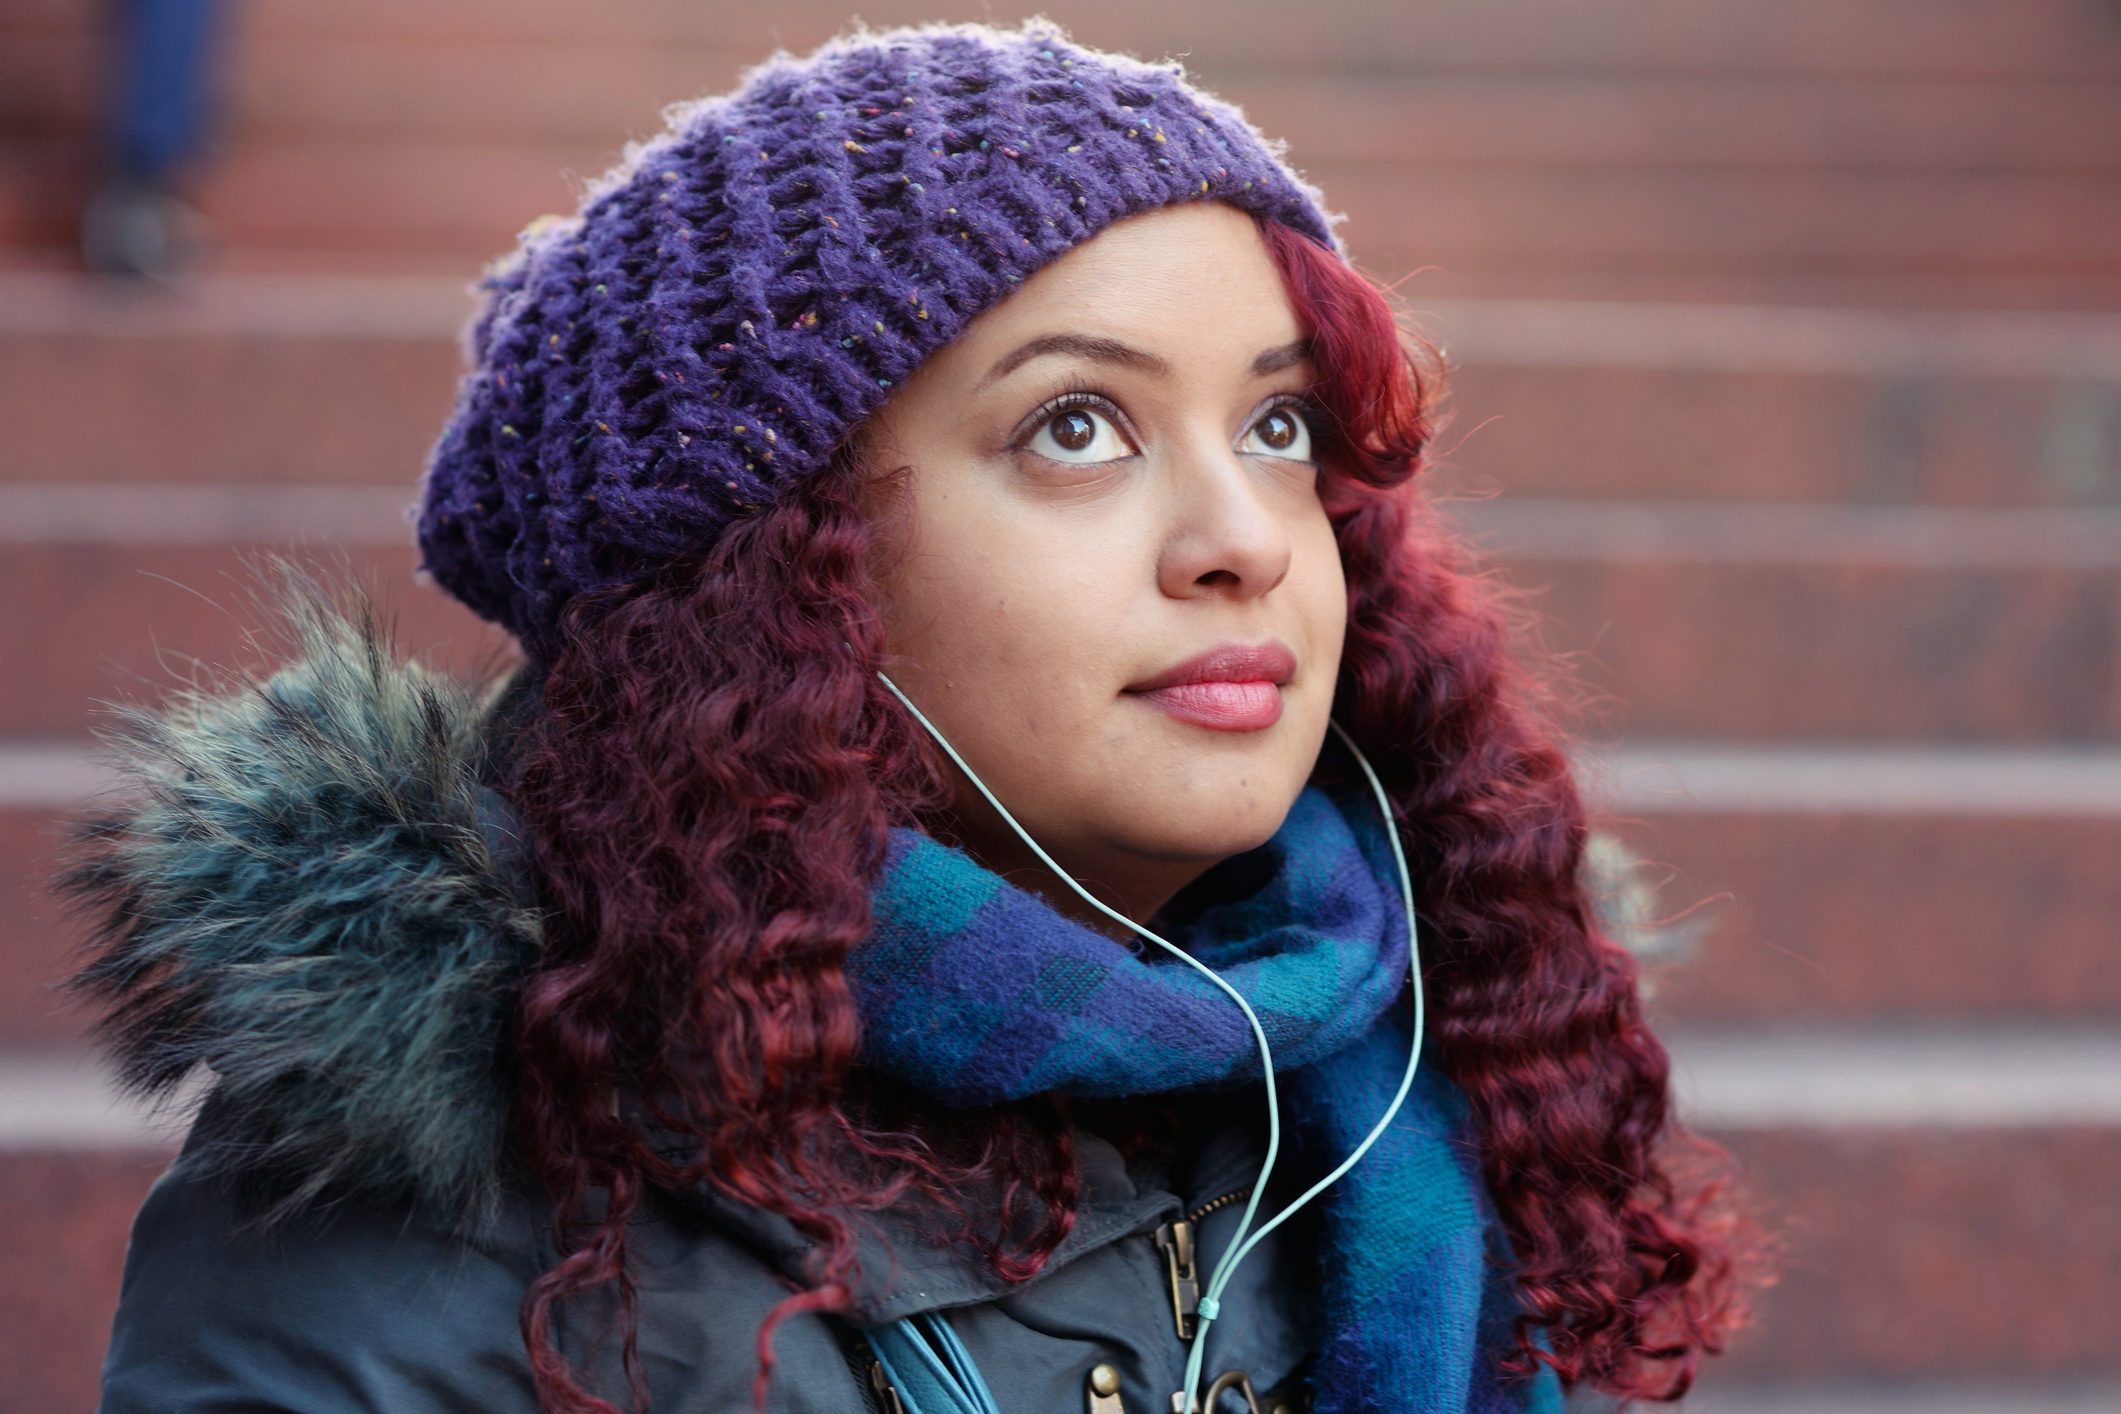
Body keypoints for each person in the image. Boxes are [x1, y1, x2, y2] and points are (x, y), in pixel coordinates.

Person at [51, 17, 1766, 1413]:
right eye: (1076, 428)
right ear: (776, 577)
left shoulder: (1417, 1066)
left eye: (1279, 428)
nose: (1245, 539)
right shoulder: (442, 1219)